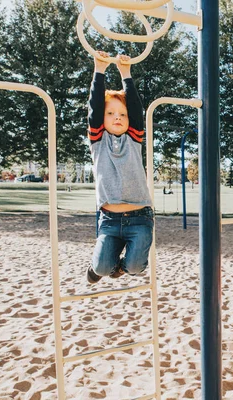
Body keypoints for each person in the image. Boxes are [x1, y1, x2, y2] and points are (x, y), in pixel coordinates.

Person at [85, 51, 154, 284]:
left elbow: (135, 110)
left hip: (139, 217)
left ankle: (121, 267)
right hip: (110, 220)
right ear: (102, 119)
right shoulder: (98, 141)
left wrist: (126, 74)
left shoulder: (133, 140)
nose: (117, 117)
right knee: (102, 267)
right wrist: (99, 70)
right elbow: (94, 109)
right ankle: (102, 266)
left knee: (135, 267)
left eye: (122, 114)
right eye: (111, 113)